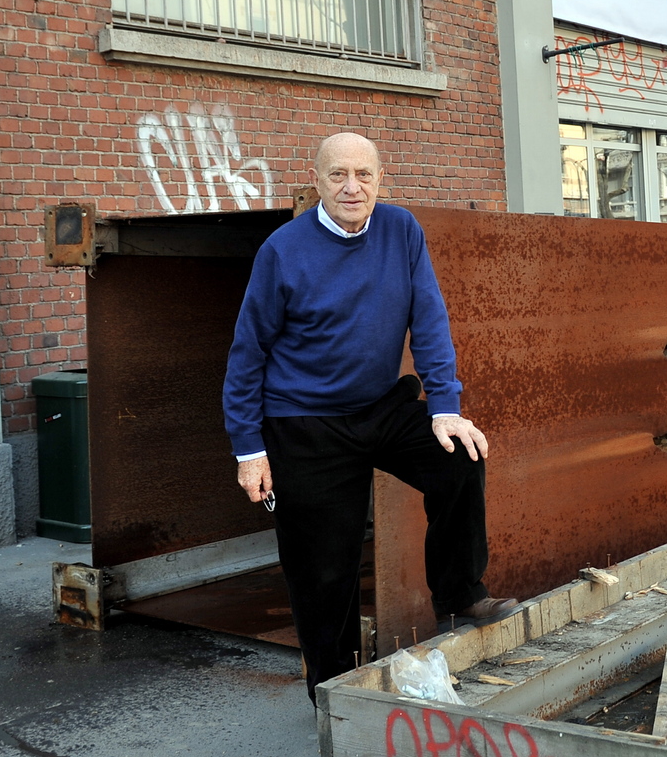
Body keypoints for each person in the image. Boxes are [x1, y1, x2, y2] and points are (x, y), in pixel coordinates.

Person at [222, 131, 518, 701]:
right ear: (317, 181)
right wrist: (248, 449)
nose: (352, 187)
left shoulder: (401, 230)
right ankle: (330, 689)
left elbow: (428, 319)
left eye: (364, 175)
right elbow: (247, 353)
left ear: (381, 179)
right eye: (338, 175)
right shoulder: (282, 251)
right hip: (304, 421)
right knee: (324, 568)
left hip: (380, 406)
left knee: (458, 458)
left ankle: (458, 593)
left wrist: (445, 409)